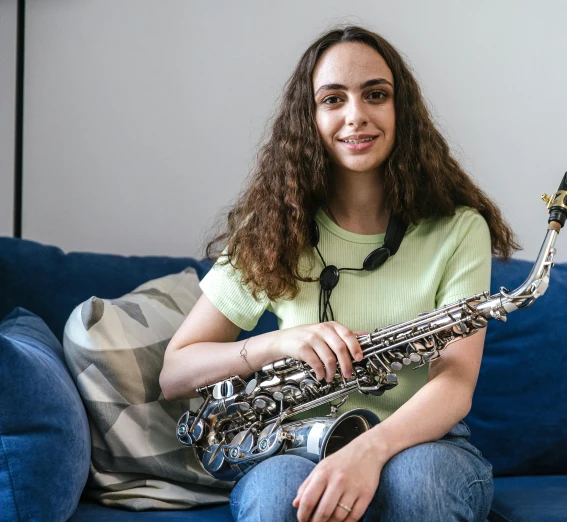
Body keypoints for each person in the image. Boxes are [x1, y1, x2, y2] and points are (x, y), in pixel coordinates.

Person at [160, 25, 519, 522]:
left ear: (402, 111)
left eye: (376, 94)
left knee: (423, 488)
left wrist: (366, 452)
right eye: (333, 99)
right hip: (294, 441)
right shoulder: (272, 226)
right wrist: (278, 344)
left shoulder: (459, 229)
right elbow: (175, 372)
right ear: (308, 118)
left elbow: (455, 384)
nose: (356, 116)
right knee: (273, 500)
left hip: (422, 442)